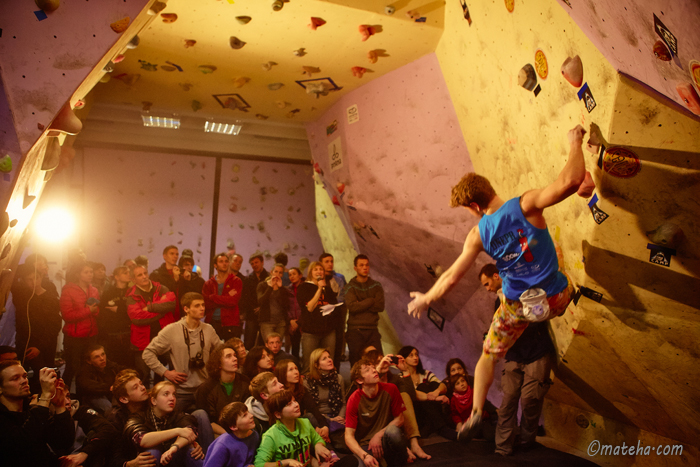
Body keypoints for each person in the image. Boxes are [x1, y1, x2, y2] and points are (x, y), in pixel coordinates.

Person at [407, 125, 591, 440]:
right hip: (555, 298)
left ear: (475, 207)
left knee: (488, 356)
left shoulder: (478, 234)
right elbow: (570, 181)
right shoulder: (526, 204)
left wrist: (425, 298)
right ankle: (554, 296)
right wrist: (575, 143)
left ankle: (477, 411)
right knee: (568, 280)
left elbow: (451, 278)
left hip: (516, 308)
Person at [478, 264, 555, 456]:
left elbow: (538, 316)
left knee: (530, 401)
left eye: (487, 283)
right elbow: (500, 326)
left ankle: (526, 443)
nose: (487, 289)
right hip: (514, 355)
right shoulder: (499, 302)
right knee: (508, 401)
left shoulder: (525, 288)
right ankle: (502, 447)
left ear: (496, 276)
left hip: (537, 352)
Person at [143, 293, 220, 413]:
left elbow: (222, 351)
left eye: (203, 305)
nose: (202, 308)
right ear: (186, 309)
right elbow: (148, 353)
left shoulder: (208, 329)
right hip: (181, 392)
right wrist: (165, 372)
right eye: (197, 305)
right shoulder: (172, 330)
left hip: (204, 389)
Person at [0, 363, 75, 467]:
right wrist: (45, 396)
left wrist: (59, 405)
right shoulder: (3, 417)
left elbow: (63, 442)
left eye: (24, 376)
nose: (24, 381)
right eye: (15, 378)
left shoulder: (30, 409)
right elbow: (22, 445)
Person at [124, 381, 205, 467]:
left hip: (173, 457)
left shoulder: (178, 414)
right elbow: (141, 439)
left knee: (190, 448)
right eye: (166, 394)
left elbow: (190, 431)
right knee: (152, 452)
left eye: (174, 394)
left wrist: (173, 448)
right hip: (153, 458)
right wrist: (177, 431)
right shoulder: (139, 417)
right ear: (154, 400)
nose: (172, 398)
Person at [345, 358, 408, 467]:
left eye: (373, 368)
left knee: (393, 431)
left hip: (386, 439)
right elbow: (348, 436)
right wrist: (364, 455)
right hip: (367, 445)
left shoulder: (391, 389)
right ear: (360, 380)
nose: (374, 371)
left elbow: (400, 419)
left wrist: (378, 435)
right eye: (367, 370)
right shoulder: (354, 399)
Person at [253, 389, 339, 467]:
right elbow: (259, 464)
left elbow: (317, 440)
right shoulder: (270, 436)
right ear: (278, 414)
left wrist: (318, 445)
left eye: (294, 401)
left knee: (349, 461)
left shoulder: (305, 422)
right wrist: (286, 462)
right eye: (289, 404)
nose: (296, 405)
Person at [11, 263, 62, 393]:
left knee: (44, 377)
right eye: (29, 279)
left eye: (36, 278)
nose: (34, 282)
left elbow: (54, 325)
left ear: (41, 277)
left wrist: (39, 346)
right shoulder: (23, 297)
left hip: (44, 346)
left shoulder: (50, 298)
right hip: (25, 343)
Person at [126, 265, 178, 387]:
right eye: (140, 275)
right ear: (133, 280)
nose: (144, 276)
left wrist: (150, 308)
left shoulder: (161, 288)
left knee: (171, 372)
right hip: (142, 341)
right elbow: (137, 318)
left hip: (165, 339)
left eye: (145, 273)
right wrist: (162, 310)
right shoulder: (131, 295)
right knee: (143, 377)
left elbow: (171, 303)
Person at [195, 342, 251, 438]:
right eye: (228, 356)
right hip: (218, 431)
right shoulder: (206, 388)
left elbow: (249, 410)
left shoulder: (245, 381)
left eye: (234, 355)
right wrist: (228, 435)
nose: (235, 359)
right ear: (218, 364)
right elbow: (208, 422)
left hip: (241, 428)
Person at [60, 262, 100, 390]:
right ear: (78, 274)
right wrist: (88, 310)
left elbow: (97, 311)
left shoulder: (94, 290)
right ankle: (63, 396)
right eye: (86, 272)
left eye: (91, 272)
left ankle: (85, 398)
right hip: (74, 337)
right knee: (72, 368)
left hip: (91, 335)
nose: (90, 275)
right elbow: (67, 315)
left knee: (89, 369)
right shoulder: (68, 290)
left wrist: (95, 310)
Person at [397, 346, 452, 440]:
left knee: (435, 384)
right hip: (416, 412)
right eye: (411, 355)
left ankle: (435, 425)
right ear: (403, 359)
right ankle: (442, 427)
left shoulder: (425, 373)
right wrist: (434, 397)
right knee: (422, 387)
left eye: (416, 355)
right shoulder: (400, 377)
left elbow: (442, 386)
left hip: (431, 408)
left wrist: (436, 392)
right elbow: (412, 394)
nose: (415, 358)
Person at [106, 369, 155, 467]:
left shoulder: (153, 402)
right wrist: (130, 464)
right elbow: (112, 457)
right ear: (124, 399)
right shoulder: (116, 419)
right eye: (135, 387)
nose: (143, 388)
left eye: (141, 384)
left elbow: (178, 416)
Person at [344, 255, 385, 366]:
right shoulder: (349, 287)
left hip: (372, 329)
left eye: (367, 265)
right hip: (355, 330)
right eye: (361, 265)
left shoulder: (376, 286)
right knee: (357, 362)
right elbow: (352, 307)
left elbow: (380, 306)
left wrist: (361, 303)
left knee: (378, 361)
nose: (365, 267)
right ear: (355, 268)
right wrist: (371, 300)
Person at [297, 261, 337, 373]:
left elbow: (334, 305)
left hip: (328, 330)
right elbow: (309, 307)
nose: (319, 271)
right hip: (311, 331)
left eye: (321, 269)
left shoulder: (328, 289)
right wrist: (319, 289)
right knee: (309, 364)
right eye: (316, 269)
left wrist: (330, 310)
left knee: (328, 363)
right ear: (311, 272)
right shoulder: (304, 287)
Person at [202, 402, 259, 467]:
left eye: (248, 412)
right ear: (233, 426)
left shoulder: (254, 436)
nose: (251, 415)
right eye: (244, 415)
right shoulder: (222, 445)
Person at [203, 253, 244, 341]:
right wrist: (226, 298)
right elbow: (206, 303)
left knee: (231, 350)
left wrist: (213, 297)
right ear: (215, 265)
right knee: (212, 351)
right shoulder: (208, 283)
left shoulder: (236, 281)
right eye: (221, 262)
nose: (224, 263)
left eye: (226, 261)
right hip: (212, 321)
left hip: (230, 322)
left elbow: (233, 301)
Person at [99, 266, 133, 368]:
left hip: (129, 331)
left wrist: (119, 309)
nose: (128, 274)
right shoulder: (109, 292)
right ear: (117, 277)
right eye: (125, 273)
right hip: (113, 333)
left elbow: (135, 310)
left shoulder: (132, 292)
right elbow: (105, 311)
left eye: (128, 272)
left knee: (129, 363)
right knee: (115, 362)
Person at [76, 344, 124, 413]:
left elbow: (122, 369)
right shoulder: (84, 372)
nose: (102, 358)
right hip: (92, 397)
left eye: (103, 354)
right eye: (96, 357)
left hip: (109, 393)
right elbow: (89, 387)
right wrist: (110, 387)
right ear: (89, 361)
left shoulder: (110, 365)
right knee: (110, 408)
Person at [304, 349, 345, 429]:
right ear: (317, 365)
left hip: (337, 416)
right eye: (324, 359)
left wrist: (340, 417)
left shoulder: (338, 378)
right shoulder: (308, 382)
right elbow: (311, 409)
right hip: (318, 418)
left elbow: (343, 403)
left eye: (329, 357)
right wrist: (330, 419)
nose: (329, 360)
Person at [320, 253, 347, 370]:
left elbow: (341, 299)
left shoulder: (339, 279)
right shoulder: (317, 279)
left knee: (336, 349)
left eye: (331, 261)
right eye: (326, 261)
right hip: (321, 319)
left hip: (336, 317)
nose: (330, 264)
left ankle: (336, 375)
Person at [256, 264, 291, 343]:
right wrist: (270, 287)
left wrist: (280, 288)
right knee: (270, 344)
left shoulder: (283, 288)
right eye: (276, 271)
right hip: (267, 322)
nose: (277, 274)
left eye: (280, 272)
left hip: (280, 322)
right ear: (271, 272)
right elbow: (260, 301)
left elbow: (286, 304)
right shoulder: (262, 285)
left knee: (277, 346)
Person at [241, 253, 269, 350]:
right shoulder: (248, 279)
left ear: (262, 262)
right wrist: (254, 308)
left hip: (266, 314)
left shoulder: (269, 277)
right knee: (249, 342)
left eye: (256, 262)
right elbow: (246, 297)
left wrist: (261, 308)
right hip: (251, 314)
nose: (254, 265)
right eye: (252, 264)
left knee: (263, 344)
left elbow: (271, 296)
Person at [286, 268, 304, 359]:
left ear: (300, 275)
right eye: (290, 275)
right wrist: (291, 321)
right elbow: (287, 307)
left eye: (294, 274)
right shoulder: (288, 290)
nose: (292, 276)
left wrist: (299, 321)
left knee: (306, 347)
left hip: (303, 321)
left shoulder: (305, 288)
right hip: (293, 322)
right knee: (295, 347)